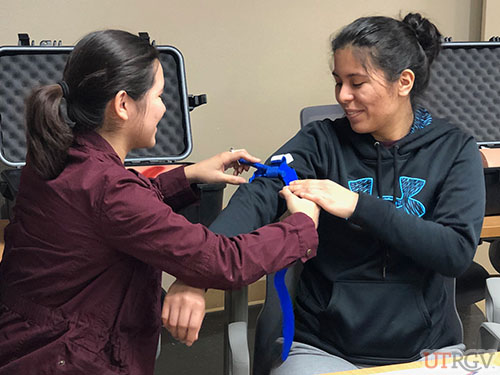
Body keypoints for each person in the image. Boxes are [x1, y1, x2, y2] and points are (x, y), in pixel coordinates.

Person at [169, 12, 486, 374]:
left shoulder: (454, 149)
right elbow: (258, 197)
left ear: (404, 82)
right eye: (338, 82)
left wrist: (357, 205)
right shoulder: (320, 142)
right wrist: (197, 272)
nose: (343, 96)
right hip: (325, 348)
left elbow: (456, 252)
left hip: (428, 351)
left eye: (357, 82)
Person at [0, 30, 320, 375]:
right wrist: (300, 225)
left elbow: (108, 211)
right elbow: (225, 261)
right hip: (67, 358)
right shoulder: (111, 191)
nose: (165, 108)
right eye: (159, 95)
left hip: (23, 338)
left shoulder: (57, 154)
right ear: (123, 104)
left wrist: (189, 175)